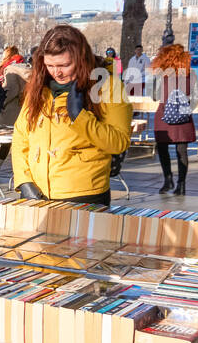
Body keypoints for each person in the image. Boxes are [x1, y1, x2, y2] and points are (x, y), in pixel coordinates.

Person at [11, 24, 131, 207]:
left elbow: (118, 142)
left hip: (84, 193)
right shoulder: (38, 87)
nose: (56, 72)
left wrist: (79, 116)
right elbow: (21, 136)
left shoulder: (108, 86)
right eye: (50, 65)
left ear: (81, 59)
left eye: (64, 65)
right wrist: (23, 180)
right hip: (36, 191)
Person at [148, 43, 198, 196]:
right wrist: (185, 108)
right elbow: (197, 97)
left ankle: (167, 180)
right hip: (183, 116)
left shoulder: (160, 75)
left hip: (164, 114)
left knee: (163, 149)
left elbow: (154, 96)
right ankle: (181, 185)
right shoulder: (191, 75)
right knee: (182, 151)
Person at [0, 45, 30, 166]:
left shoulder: (10, 69)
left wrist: (1, 104)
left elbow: (12, 90)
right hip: (23, 107)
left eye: (4, 55)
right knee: (19, 141)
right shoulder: (24, 66)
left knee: (5, 140)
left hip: (10, 109)